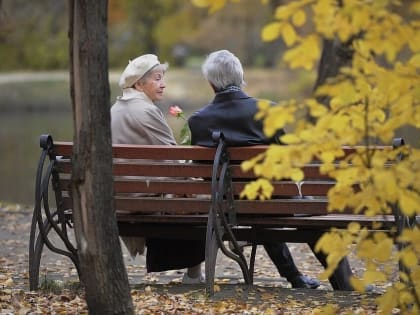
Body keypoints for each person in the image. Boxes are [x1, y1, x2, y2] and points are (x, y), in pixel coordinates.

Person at [188, 49, 354, 290]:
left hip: (226, 204)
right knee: (302, 210)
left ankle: (296, 278)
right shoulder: (266, 111)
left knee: (263, 212)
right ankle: (345, 283)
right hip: (272, 197)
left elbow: (202, 168)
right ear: (240, 78)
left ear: (211, 83)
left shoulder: (198, 120)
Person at [110, 53, 205, 284]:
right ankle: (194, 274)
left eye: (163, 78)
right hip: (143, 198)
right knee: (199, 196)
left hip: (118, 196)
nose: (163, 84)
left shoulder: (115, 109)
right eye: (157, 78)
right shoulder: (146, 111)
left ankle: (192, 272)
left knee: (188, 189)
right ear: (139, 84)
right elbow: (173, 159)